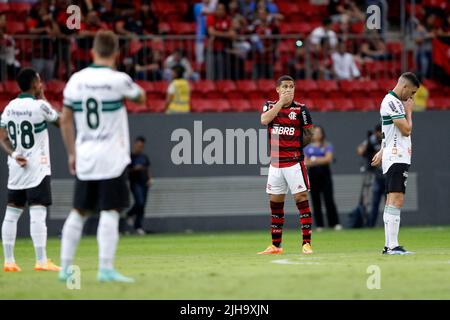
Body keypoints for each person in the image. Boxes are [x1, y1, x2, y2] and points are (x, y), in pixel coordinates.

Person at [58, 30, 146, 282]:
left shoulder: (75, 80)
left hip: (85, 154)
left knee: (78, 211)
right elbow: (141, 97)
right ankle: (105, 269)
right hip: (111, 157)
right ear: (116, 53)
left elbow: (65, 120)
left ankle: (65, 269)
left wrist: (71, 154)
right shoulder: (118, 80)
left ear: (93, 52)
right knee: (110, 211)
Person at [0, 68, 61, 272]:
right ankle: (41, 261)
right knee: (37, 212)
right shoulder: (40, 106)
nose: (41, 83)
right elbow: (61, 122)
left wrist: (12, 153)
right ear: (35, 84)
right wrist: (43, 97)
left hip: (16, 166)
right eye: (39, 81)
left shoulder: (9, 108)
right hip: (38, 167)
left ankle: (9, 261)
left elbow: (2, 137)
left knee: (11, 213)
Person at [258, 75, 315, 255]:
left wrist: (297, 147)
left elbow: (309, 133)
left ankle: (306, 243)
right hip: (275, 165)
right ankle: (276, 245)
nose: (288, 89)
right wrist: (280, 103)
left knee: (301, 199)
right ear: (277, 89)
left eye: (291, 86)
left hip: (294, 163)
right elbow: (264, 120)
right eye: (285, 86)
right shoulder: (269, 105)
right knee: (275, 203)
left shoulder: (301, 110)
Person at [371, 72, 419, 255]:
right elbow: (406, 130)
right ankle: (391, 246)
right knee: (396, 198)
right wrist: (409, 112)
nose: (411, 97)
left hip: (395, 155)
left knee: (393, 199)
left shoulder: (393, 102)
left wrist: (382, 150)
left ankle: (390, 245)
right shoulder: (393, 102)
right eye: (412, 92)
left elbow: (389, 132)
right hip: (397, 156)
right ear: (404, 87)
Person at [304, 126, 342, 231]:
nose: (317, 134)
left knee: (329, 199)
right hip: (313, 175)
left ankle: (334, 223)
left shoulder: (327, 145)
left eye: (319, 132)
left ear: (322, 134)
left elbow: (328, 159)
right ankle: (319, 225)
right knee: (316, 200)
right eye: (315, 132)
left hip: (325, 174)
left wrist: (314, 159)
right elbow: (306, 162)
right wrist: (320, 159)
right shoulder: (307, 147)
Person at [357, 124, 385, 227]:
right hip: (376, 174)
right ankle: (371, 224)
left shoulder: (388, 137)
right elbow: (360, 150)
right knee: (374, 202)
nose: (378, 134)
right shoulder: (372, 140)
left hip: (387, 173)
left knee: (390, 201)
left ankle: (391, 225)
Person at [126, 136, 152, 235]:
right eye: (138, 146)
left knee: (142, 205)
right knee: (139, 202)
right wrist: (135, 169)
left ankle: (138, 226)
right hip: (135, 183)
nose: (140, 148)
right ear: (135, 145)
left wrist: (150, 178)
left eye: (142, 146)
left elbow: (147, 168)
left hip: (144, 183)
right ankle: (129, 214)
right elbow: (126, 170)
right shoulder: (130, 157)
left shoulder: (144, 157)